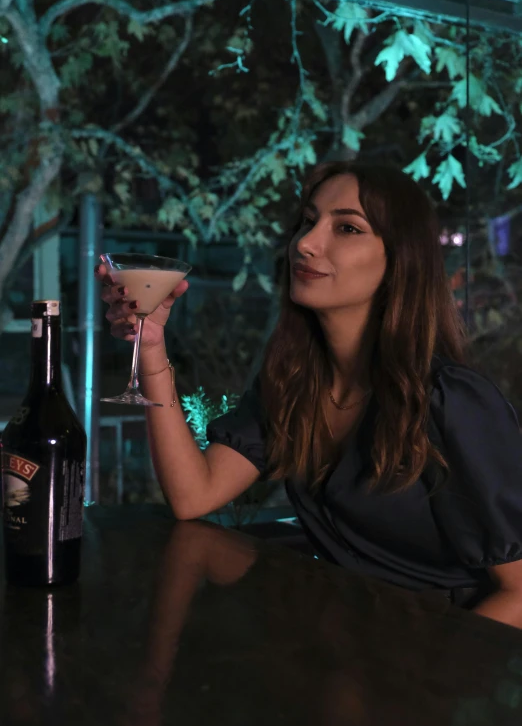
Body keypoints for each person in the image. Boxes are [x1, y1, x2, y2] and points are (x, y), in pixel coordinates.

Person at [96, 161, 522, 627]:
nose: (305, 243)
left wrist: (421, 687)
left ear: (400, 259)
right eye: (307, 221)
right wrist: (152, 348)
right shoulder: (294, 382)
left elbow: (518, 592)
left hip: (439, 667)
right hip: (344, 650)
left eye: (346, 227)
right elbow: (193, 495)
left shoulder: (449, 400)